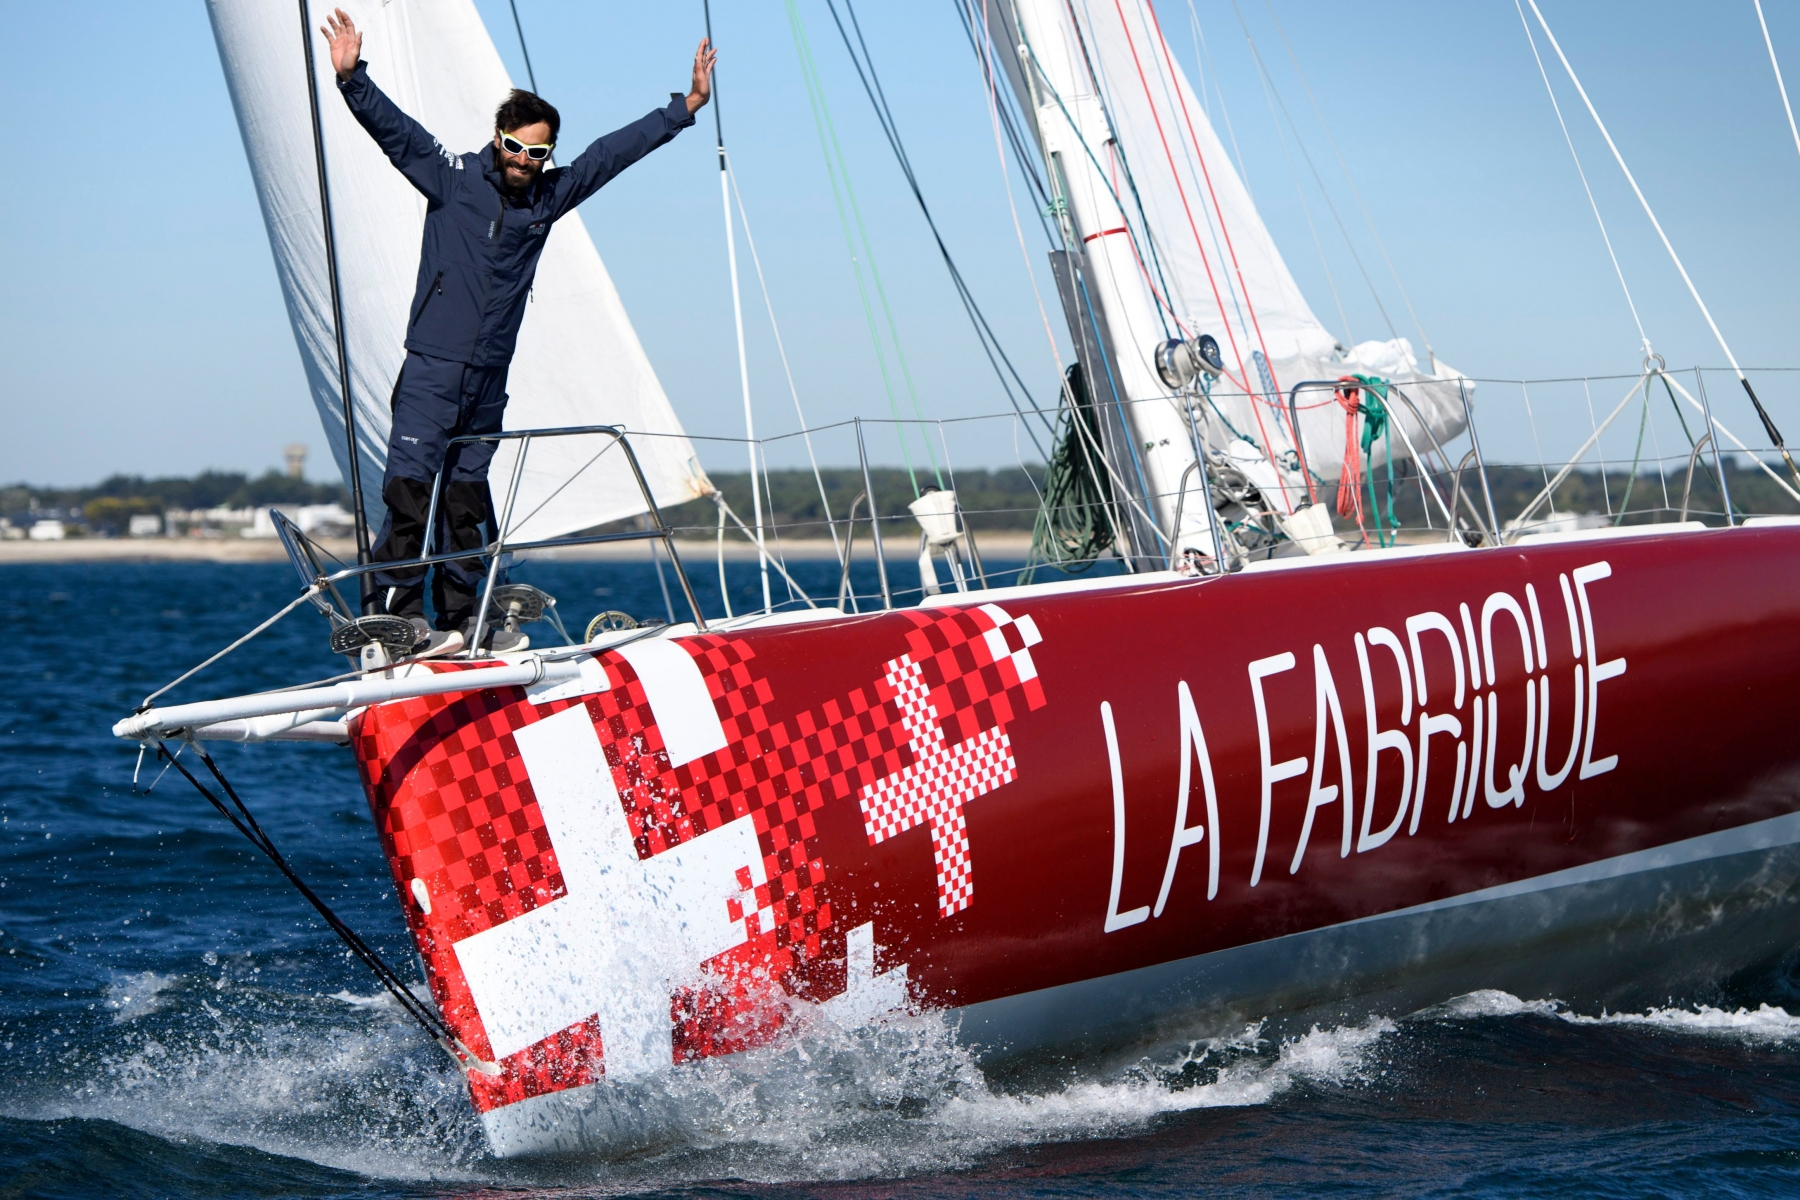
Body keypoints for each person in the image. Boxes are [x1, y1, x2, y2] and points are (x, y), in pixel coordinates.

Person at [319, 8, 715, 656]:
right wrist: (352, 77)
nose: (526, 161)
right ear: (498, 138)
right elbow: (397, 134)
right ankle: (391, 619)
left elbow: (611, 155)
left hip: (488, 380)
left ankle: (462, 622)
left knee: (468, 503)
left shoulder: (548, 199)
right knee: (411, 492)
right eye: (517, 147)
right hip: (432, 370)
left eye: (539, 153)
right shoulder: (451, 180)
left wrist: (686, 106)